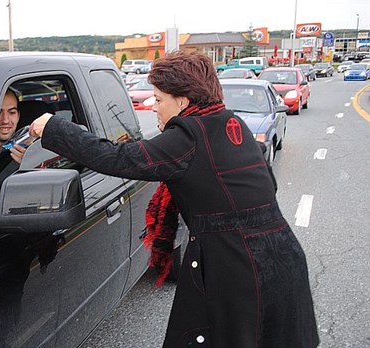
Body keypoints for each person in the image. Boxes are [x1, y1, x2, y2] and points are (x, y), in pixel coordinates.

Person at [29, 50, 319, 347]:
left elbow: (119, 159)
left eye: (159, 99)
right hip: (283, 258)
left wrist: (54, 128)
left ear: (182, 102)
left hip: (239, 273)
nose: (154, 107)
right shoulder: (233, 125)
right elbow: (267, 185)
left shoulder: (188, 135)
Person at [0, 89, 28, 185]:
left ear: (18, 116)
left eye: (11, 112)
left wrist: (29, 166)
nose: (5, 120)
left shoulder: (30, 153)